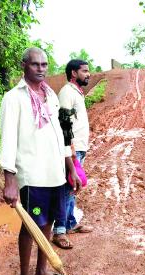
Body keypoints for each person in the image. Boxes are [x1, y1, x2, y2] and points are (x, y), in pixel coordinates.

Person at [0, 47, 81, 275]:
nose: (41, 68)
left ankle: (42, 271)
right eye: (35, 64)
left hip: (55, 173)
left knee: (48, 222)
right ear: (24, 65)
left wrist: (69, 166)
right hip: (32, 175)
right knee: (30, 226)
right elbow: (8, 139)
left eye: (44, 64)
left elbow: (58, 133)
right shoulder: (13, 98)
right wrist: (10, 179)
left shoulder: (50, 95)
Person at [52, 59, 94, 249]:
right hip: (71, 150)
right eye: (84, 71)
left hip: (79, 148)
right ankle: (59, 231)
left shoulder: (76, 92)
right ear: (73, 73)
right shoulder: (67, 93)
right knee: (66, 188)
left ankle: (69, 223)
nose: (88, 74)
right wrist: (70, 150)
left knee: (73, 187)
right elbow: (63, 125)